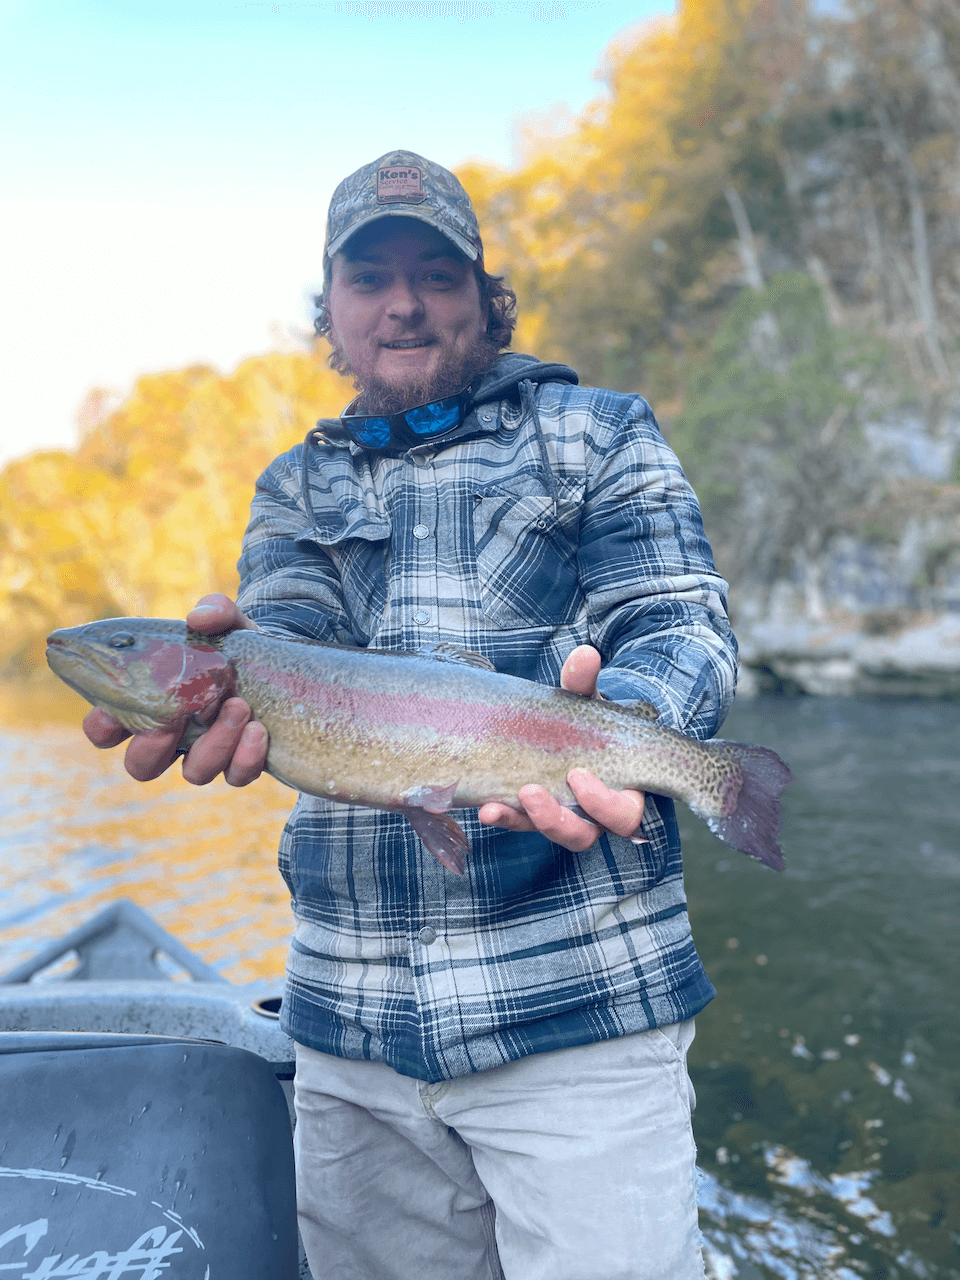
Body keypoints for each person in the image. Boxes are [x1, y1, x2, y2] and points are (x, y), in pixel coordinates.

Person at [84, 150, 738, 1280]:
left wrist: (624, 732)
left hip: (578, 1005)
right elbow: (289, 632)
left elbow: (679, 617)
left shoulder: (598, 432)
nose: (403, 302)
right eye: (371, 276)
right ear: (329, 309)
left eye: (437, 275)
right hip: (349, 1028)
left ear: (486, 297)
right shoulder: (293, 487)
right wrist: (225, 689)